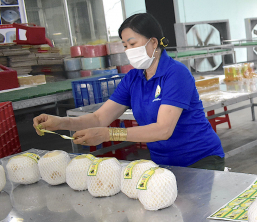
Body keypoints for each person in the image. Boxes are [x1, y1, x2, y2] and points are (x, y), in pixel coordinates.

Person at [33, 13, 225, 170]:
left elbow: (163, 129)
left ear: (153, 43)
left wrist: (109, 134)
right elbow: (99, 119)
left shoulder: (175, 73)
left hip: (200, 160)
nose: (128, 50)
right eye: (125, 46)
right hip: (163, 163)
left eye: (132, 44)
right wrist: (60, 122)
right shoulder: (133, 78)